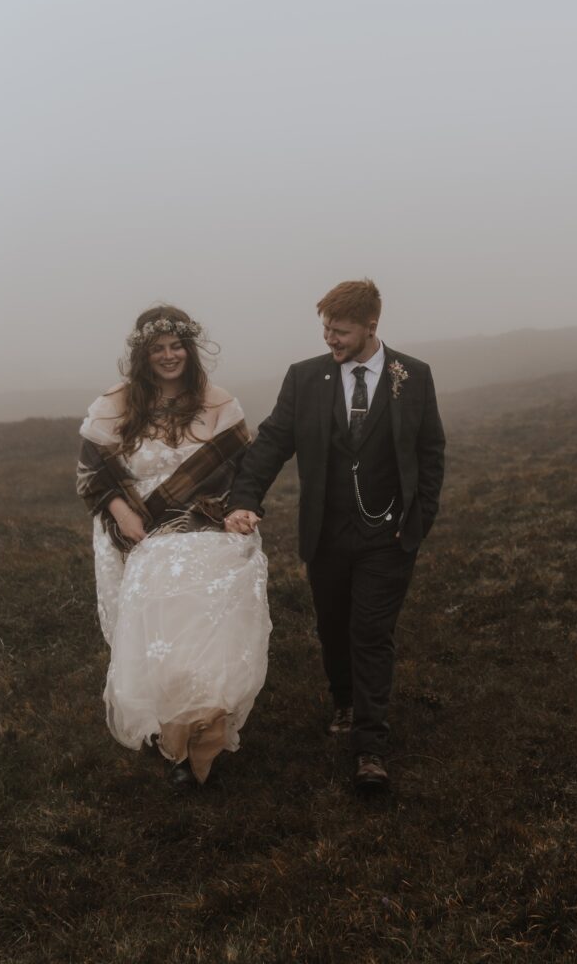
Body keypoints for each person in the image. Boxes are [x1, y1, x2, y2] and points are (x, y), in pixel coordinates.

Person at [225, 279, 445, 791]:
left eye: (340, 331)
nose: (330, 339)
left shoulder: (412, 376)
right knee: (333, 627)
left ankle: (370, 746)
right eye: (325, 328)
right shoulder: (305, 379)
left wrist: (419, 521)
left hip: (388, 537)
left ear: (372, 327)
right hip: (325, 534)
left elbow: (431, 453)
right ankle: (344, 700)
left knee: (371, 632)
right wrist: (244, 498)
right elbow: (273, 441)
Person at [77, 305, 271, 789]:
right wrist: (124, 515)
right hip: (143, 532)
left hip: (205, 524)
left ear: (191, 348)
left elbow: (246, 475)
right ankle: (173, 735)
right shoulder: (115, 405)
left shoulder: (219, 404)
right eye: (158, 348)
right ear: (142, 355)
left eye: (176, 346)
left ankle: (205, 716)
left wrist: (237, 513)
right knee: (163, 603)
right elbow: (92, 475)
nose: (169, 356)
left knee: (214, 601)